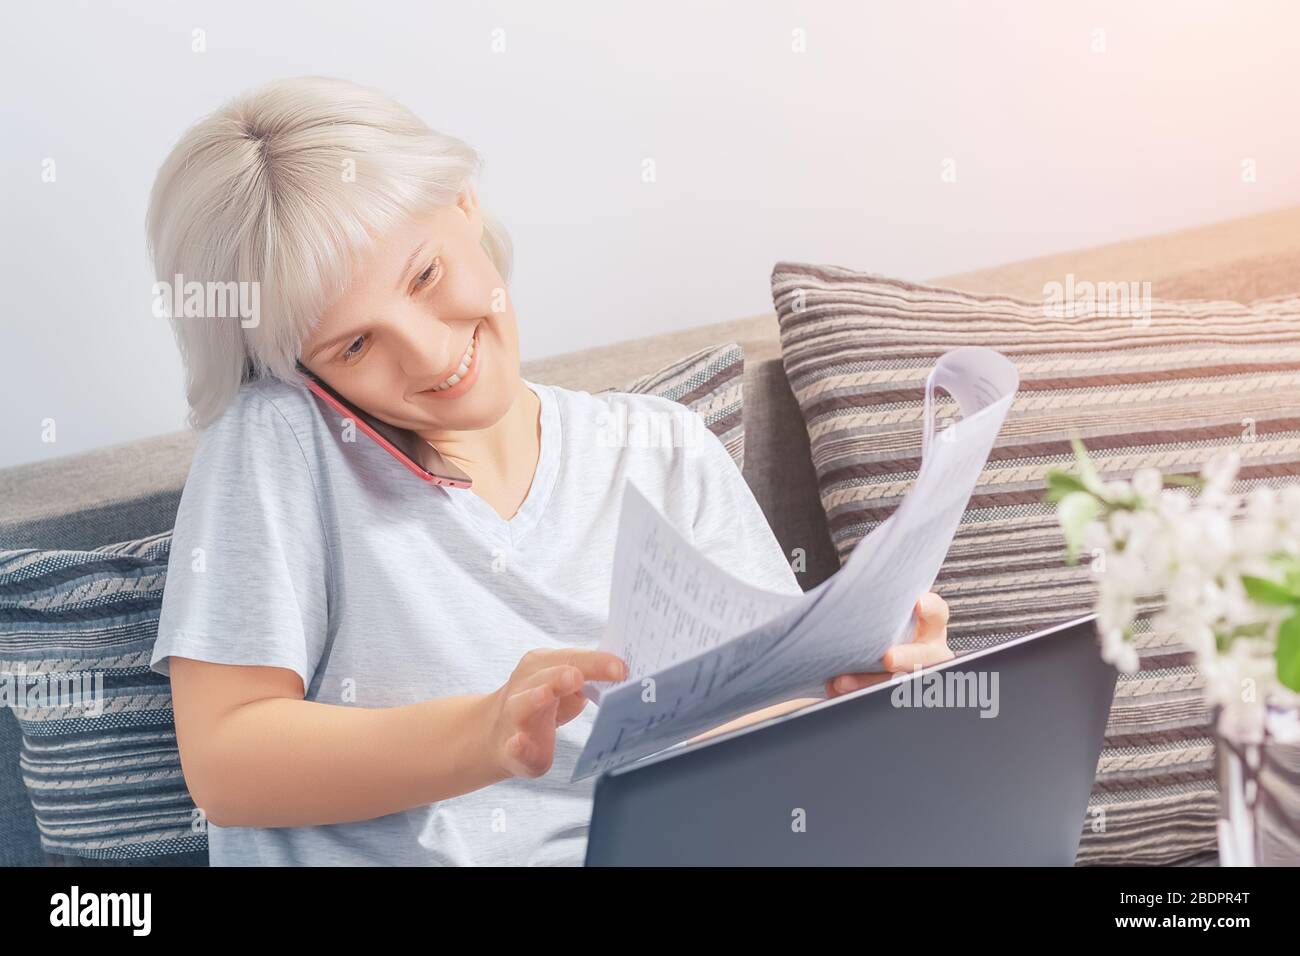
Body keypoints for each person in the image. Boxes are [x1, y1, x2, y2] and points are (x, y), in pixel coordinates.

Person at [146, 75, 954, 865]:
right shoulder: (280, 440)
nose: (429, 353)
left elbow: (761, 736)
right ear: (302, 371)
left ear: (463, 203)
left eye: (424, 277)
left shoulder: (662, 450)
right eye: (354, 345)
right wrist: (487, 731)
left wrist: (854, 696)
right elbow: (228, 759)